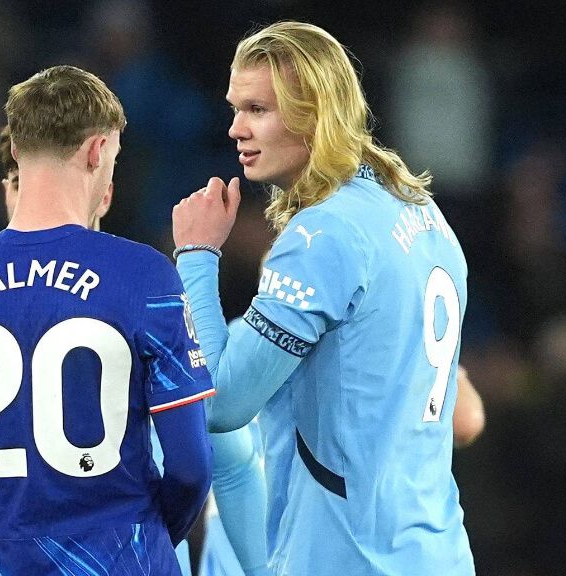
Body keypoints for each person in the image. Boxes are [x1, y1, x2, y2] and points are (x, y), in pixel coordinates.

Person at [0, 65, 214, 576]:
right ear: (98, 150)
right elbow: (191, 468)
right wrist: (142, 539)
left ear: (15, 149)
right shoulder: (146, 275)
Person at [172, 21, 475, 575]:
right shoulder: (423, 213)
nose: (236, 128)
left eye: (258, 109)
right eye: (235, 107)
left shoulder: (325, 234)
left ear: (315, 114)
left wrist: (196, 255)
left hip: (349, 556)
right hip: (437, 551)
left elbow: (220, 403)